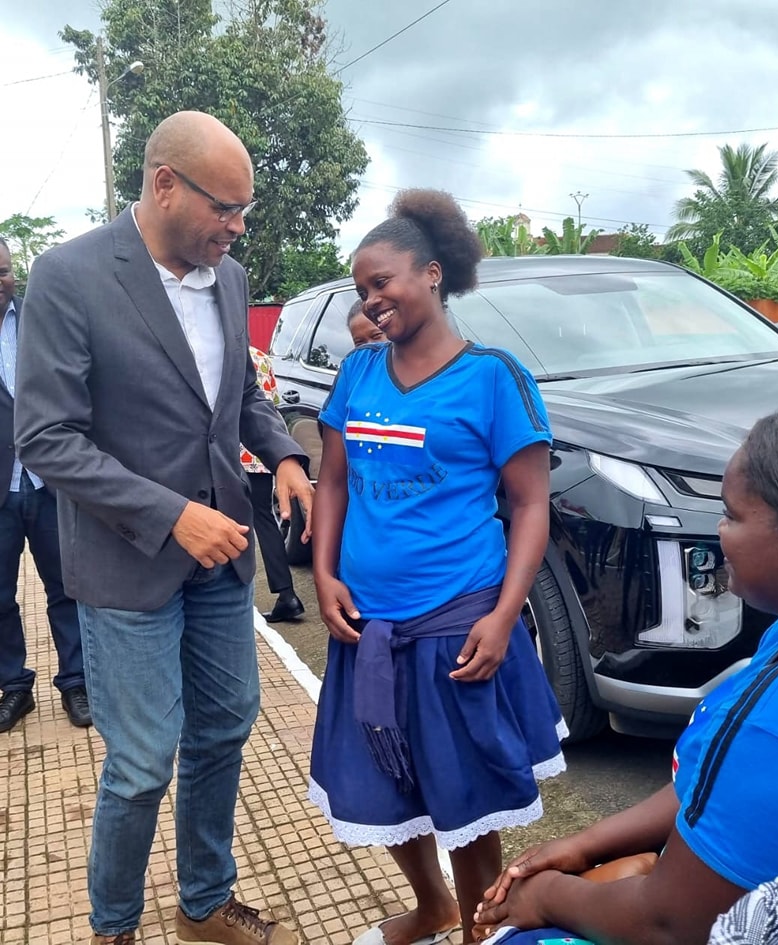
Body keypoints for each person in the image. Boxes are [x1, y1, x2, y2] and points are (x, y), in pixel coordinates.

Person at [473, 396, 778, 945]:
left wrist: (544, 897)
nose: (719, 532)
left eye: (731, 514)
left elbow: (671, 925)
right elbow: (711, 782)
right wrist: (588, 844)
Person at [14, 111, 313, 945]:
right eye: (226, 207)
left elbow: (239, 398)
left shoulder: (230, 278)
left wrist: (285, 455)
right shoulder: (69, 276)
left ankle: (203, 903)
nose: (237, 226)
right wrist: (171, 514)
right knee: (143, 760)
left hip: (219, 567)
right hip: (127, 561)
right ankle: (113, 926)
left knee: (224, 727)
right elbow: (46, 438)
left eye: (244, 211)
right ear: (164, 184)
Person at [309, 188, 566, 945]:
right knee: (378, 785)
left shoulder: (494, 377)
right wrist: (323, 574)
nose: (371, 299)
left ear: (430, 273)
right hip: (368, 625)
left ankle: (477, 932)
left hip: (459, 620)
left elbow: (529, 506)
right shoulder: (358, 373)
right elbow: (335, 480)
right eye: (360, 289)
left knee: (467, 795)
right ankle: (434, 907)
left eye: (382, 280)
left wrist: (503, 611)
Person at [0, 237, 90, 732]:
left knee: (67, 587)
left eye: (4, 271)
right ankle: (14, 687)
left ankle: (76, 682)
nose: (0, 282)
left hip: (52, 481)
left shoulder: (39, 317)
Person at [242, 345, 305, 623]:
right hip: (265, 456)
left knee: (232, 520)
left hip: (232, 454)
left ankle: (234, 595)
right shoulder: (262, 359)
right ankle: (286, 593)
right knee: (264, 521)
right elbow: (273, 403)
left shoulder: (220, 354)